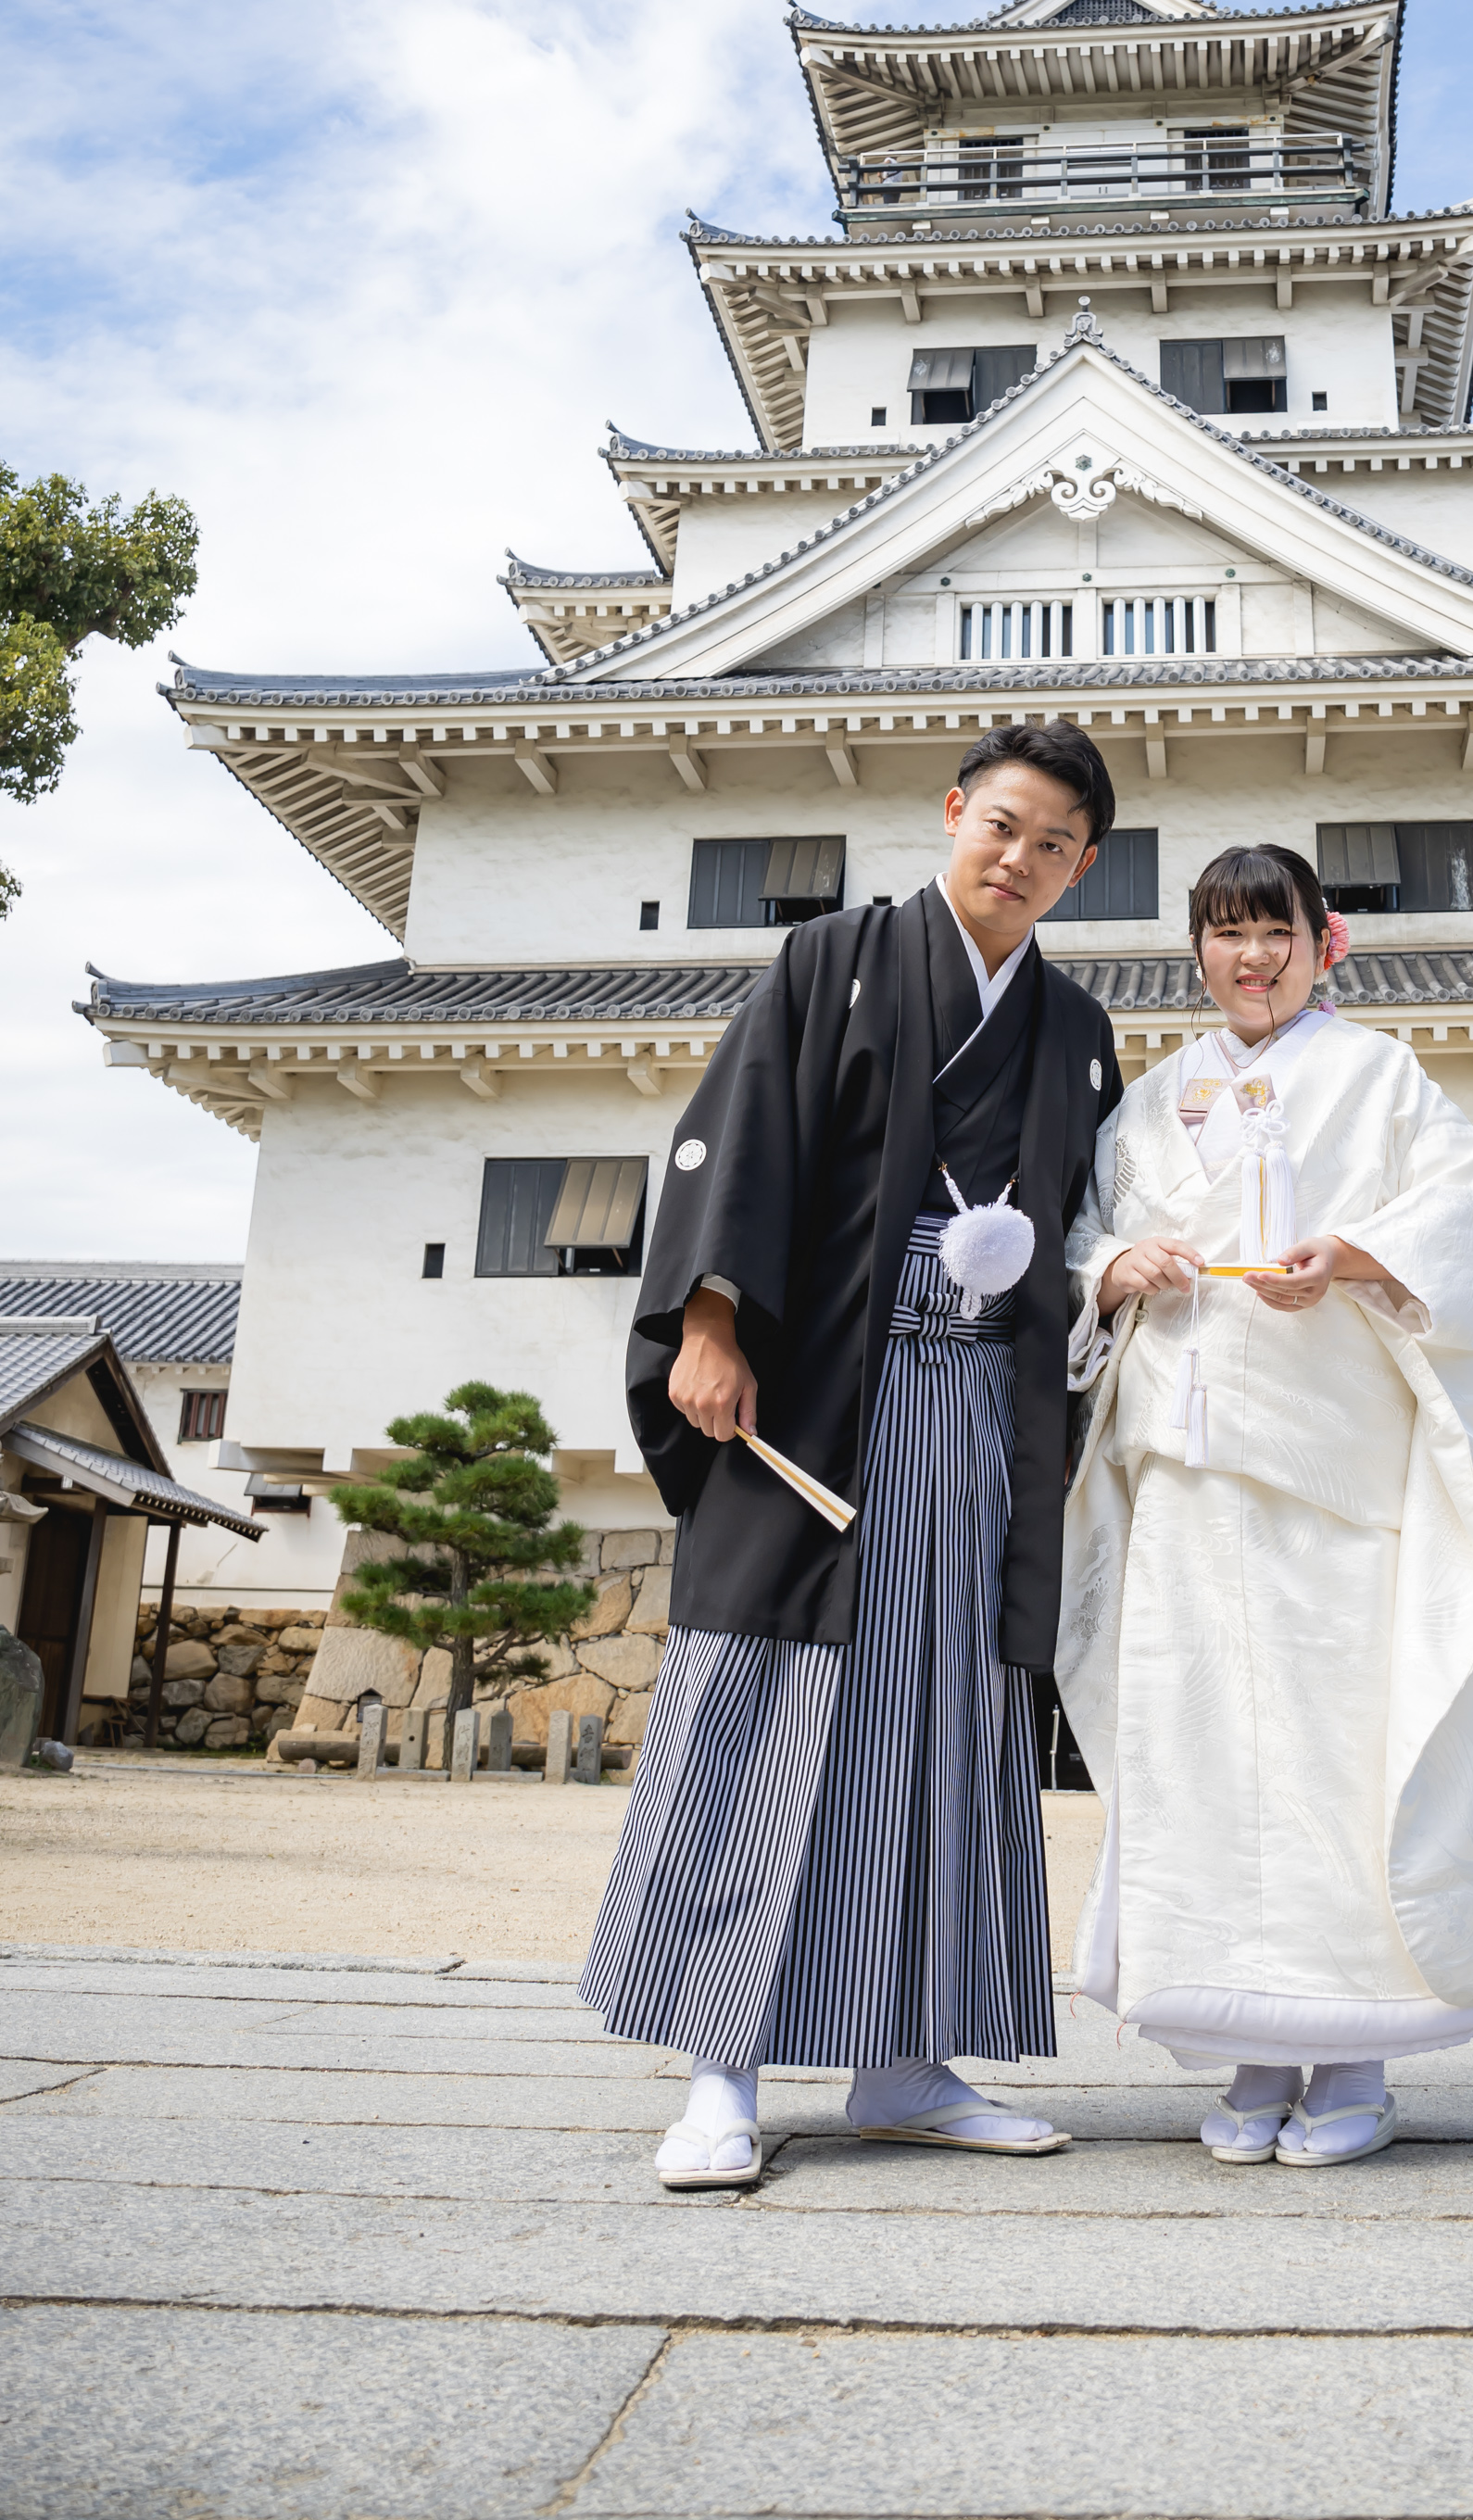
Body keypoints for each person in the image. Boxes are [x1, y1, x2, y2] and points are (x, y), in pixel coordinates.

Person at [581, 724, 1124, 2187]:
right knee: (765, 1708)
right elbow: (736, 1137)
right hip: (825, 1392)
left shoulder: (1075, 1034)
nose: (1020, 858)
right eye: (1003, 824)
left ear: (1081, 872)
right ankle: (719, 2070)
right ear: (955, 813)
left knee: (945, 1721)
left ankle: (909, 2061)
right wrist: (707, 1323)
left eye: (1055, 843)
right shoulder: (836, 960)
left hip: (984, 1418)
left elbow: (1087, 1228)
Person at [1058, 842, 1473, 2170]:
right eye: (1226, 935)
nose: (1251, 958)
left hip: (1331, 1468)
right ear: (1198, 951)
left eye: (1273, 931)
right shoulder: (1153, 1095)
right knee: (1201, 1758)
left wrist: (1355, 1255)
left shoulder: (1380, 1075)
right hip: (1184, 1467)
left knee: (1338, 1755)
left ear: (1320, 939)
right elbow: (1083, 1237)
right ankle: (1248, 2053)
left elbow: (1460, 1206)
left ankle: (1353, 2055)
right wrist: (1125, 1262)